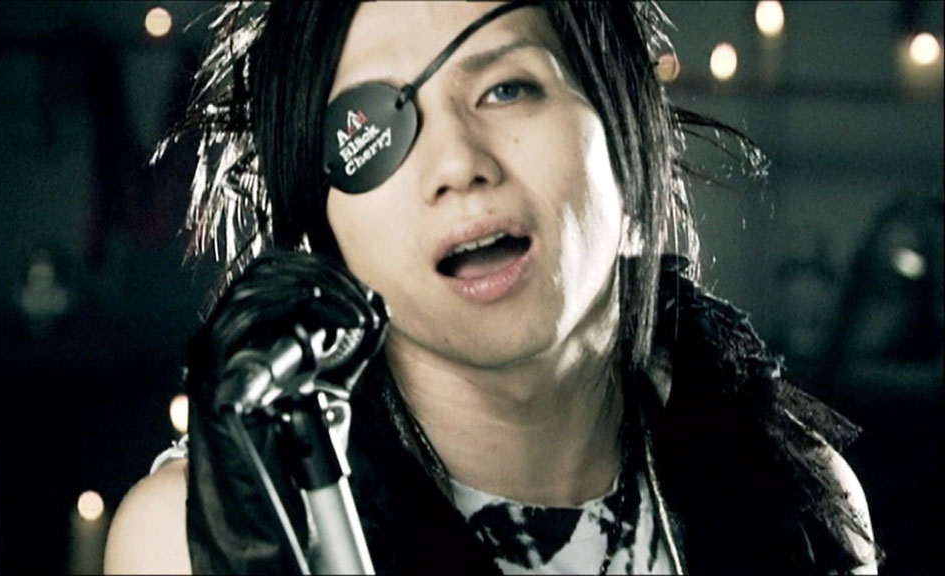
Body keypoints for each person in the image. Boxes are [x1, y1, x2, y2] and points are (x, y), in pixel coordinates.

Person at [104, 1, 879, 574]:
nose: (457, 164)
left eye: (507, 89)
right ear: (323, 226)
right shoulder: (192, 542)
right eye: (372, 129)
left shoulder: (798, 500)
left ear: (627, 130)